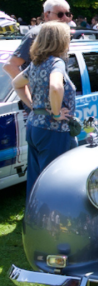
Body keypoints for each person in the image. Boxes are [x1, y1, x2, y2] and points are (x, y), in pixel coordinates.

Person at [11, 22, 77, 199]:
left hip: (34, 126)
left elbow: (16, 84)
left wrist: (34, 106)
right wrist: (55, 113)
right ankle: (51, 220)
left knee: (36, 178)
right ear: (59, 41)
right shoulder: (56, 63)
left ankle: (34, 216)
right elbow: (56, 86)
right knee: (53, 179)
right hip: (52, 130)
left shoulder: (36, 64)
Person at [4, 0, 71, 79]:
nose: (65, 18)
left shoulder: (63, 34)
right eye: (60, 14)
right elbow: (11, 65)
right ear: (47, 15)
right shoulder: (36, 34)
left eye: (67, 14)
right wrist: (26, 90)